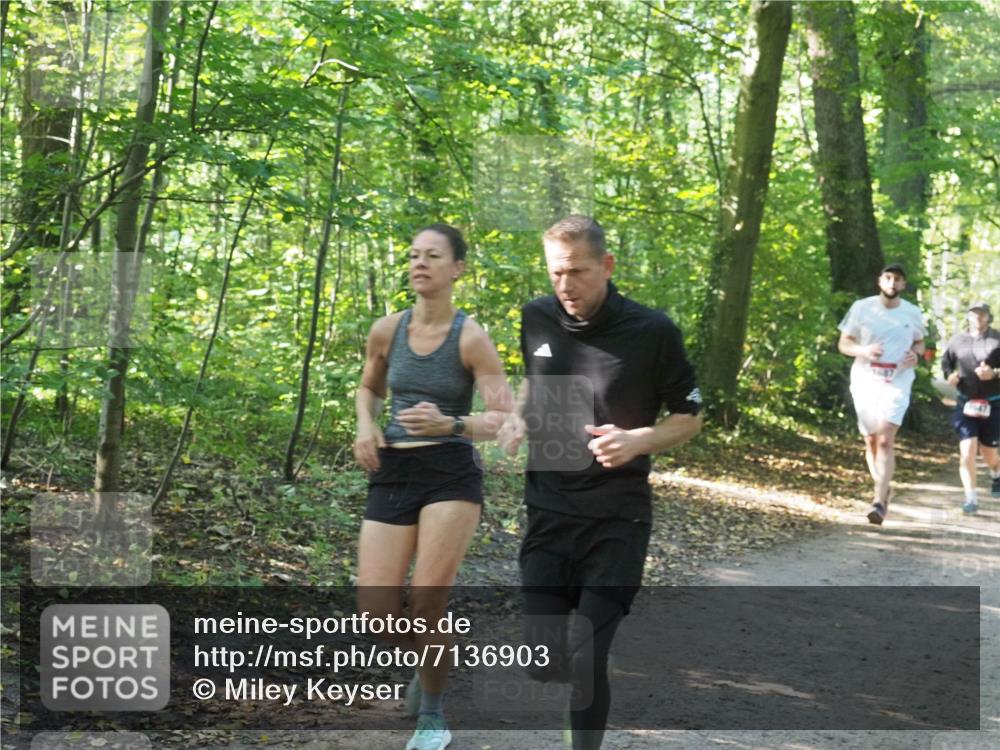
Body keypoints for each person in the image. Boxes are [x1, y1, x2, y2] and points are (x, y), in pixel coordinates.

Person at [499, 215, 702, 750]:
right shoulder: (536, 318)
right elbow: (534, 381)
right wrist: (520, 415)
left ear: (608, 266)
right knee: (543, 662)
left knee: (587, 655)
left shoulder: (652, 331)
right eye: (556, 273)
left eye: (578, 272)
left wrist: (637, 440)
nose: (565, 286)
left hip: (618, 518)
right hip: (549, 511)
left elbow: (691, 415)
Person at [353, 224, 512, 750]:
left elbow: (503, 417)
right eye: (414, 255)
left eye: (434, 256)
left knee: (426, 601)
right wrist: (364, 425)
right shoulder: (386, 329)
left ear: (457, 269)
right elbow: (368, 388)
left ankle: (435, 717)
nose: (420, 263)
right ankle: (431, 658)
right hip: (393, 472)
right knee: (376, 613)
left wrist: (452, 425)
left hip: (449, 474)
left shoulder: (471, 337)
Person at [837, 263, 927, 525]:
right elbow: (843, 343)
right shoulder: (861, 307)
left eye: (897, 279)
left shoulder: (912, 312)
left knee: (886, 439)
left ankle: (878, 501)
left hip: (897, 379)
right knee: (872, 441)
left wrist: (916, 354)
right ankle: (884, 486)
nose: (892, 283)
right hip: (865, 378)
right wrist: (863, 351)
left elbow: (920, 342)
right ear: (880, 281)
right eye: (888, 278)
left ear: (903, 285)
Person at [941, 302, 1000, 513]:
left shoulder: (997, 339)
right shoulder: (957, 340)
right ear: (968, 316)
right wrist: (950, 376)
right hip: (965, 403)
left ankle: (996, 472)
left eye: (982, 314)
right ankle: (971, 498)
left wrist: (994, 373)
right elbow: (946, 363)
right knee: (967, 451)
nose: (978, 317)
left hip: (993, 403)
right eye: (974, 314)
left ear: (988, 317)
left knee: (989, 453)